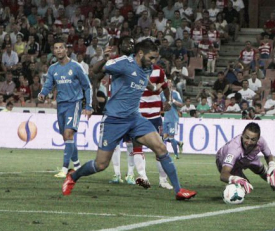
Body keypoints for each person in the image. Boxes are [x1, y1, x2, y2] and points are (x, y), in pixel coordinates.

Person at [62, 39, 196, 200]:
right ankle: (73, 176)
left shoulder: (147, 68)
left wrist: (157, 89)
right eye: (152, 58)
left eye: (156, 58)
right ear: (140, 54)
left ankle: (178, 190)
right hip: (114, 120)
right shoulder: (124, 63)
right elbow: (94, 71)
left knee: (161, 148)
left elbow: (146, 83)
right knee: (101, 165)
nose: (154, 62)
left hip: (134, 118)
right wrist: (104, 59)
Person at [38, 38, 93, 178]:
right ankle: (78, 165)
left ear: (66, 50)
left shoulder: (76, 67)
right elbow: (48, 84)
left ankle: (64, 169)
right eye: (56, 48)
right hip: (61, 105)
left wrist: (88, 106)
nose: (58, 50)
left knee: (68, 134)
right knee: (67, 138)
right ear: (54, 51)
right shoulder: (53, 68)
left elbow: (87, 86)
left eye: (61, 47)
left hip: (74, 104)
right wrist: (42, 94)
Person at [216, 122, 275, 198]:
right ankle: (230, 192)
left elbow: (268, 155)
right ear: (242, 134)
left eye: (253, 139)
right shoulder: (233, 149)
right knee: (245, 186)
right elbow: (223, 175)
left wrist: (272, 166)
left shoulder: (261, 142)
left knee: (262, 170)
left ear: (258, 139)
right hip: (225, 160)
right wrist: (235, 179)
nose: (249, 142)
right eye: (247, 138)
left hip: (249, 157)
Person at [161, 80, 184, 160]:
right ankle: (179, 143)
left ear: (172, 84)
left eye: (170, 82)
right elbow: (161, 104)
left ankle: (176, 155)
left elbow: (181, 105)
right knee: (164, 138)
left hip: (173, 118)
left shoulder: (175, 93)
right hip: (166, 118)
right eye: (167, 82)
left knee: (171, 137)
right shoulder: (162, 94)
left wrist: (173, 101)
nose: (168, 83)